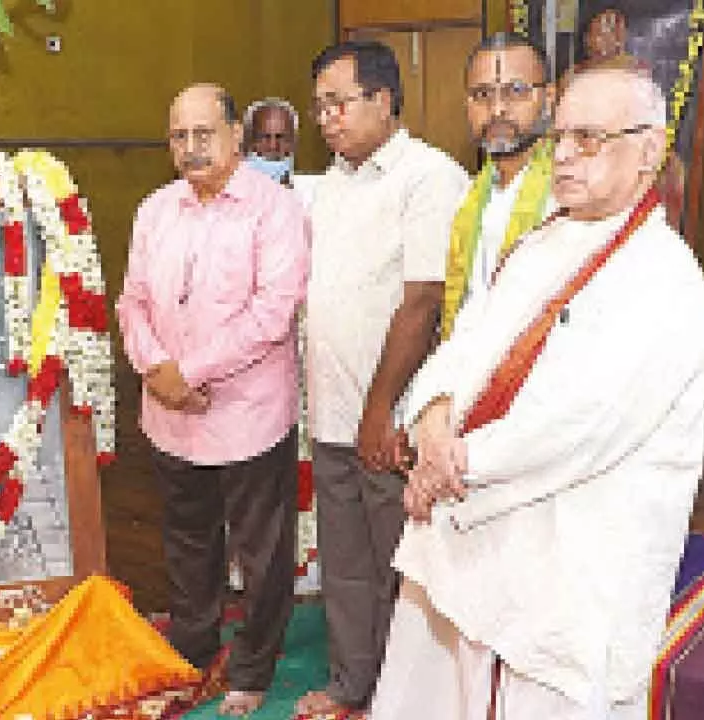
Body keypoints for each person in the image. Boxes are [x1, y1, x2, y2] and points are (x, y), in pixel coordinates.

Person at [370, 67, 704, 720]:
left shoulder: (664, 281)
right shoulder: (541, 243)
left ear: (649, 150)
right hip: (468, 546)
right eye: (559, 136)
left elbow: (579, 424)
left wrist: (451, 465)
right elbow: (466, 343)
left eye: (588, 139)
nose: (560, 155)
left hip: (564, 576)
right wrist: (434, 424)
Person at [117, 82, 309, 717]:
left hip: (247, 416)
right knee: (188, 542)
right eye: (179, 136)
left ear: (234, 135)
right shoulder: (155, 210)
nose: (191, 148)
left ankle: (253, 668)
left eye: (204, 134)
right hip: (171, 415)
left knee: (261, 550)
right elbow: (132, 302)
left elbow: (271, 314)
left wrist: (189, 371)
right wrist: (157, 369)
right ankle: (194, 652)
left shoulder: (273, 209)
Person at [295, 41, 469, 720]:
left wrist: (379, 411)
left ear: (384, 100)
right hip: (332, 412)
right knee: (345, 566)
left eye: (339, 103)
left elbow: (422, 300)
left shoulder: (430, 177)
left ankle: (405, 700)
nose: (327, 119)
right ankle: (352, 686)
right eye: (321, 107)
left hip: (390, 422)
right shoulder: (331, 182)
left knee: (404, 568)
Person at [443, 33, 556, 340]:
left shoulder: (569, 197)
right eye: (482, 95)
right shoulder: (471, 196)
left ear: (549, 98)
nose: (496, 110)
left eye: (516, 91)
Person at [242, 98, 299, 186]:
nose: (273, 146)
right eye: (265, 137)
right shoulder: (227, 193)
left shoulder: (312, 194)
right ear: (248, 141)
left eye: (281, 137)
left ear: (294, 141)